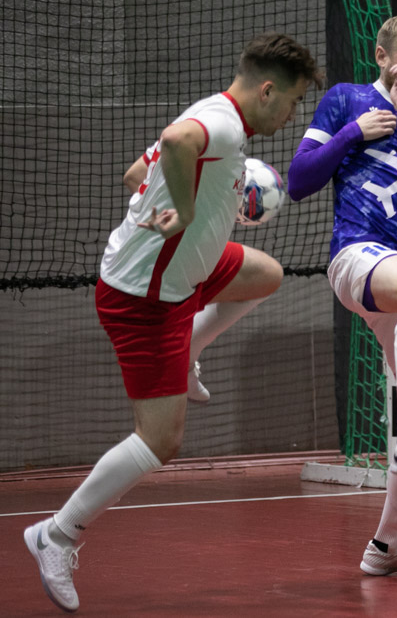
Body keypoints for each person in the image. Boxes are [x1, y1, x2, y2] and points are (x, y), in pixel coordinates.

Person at [23, 32, 322, 612]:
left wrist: (202, 202)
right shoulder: (223, 128)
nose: (291, 116)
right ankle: (56, 536)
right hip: (147, 299)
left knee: (265, 273)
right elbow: (175, 142)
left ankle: (190, 353)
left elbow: (136, 173)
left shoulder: (213, 110)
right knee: (161, 440)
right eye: (291, 103)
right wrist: (186, 211)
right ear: (266, 91)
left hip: (185, 274)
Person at [288, 15, 397, 575]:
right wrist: (353, 134)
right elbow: (298, 180)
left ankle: (387, 546)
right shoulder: (345, 100)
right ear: (382, 57)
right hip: (356, 257)